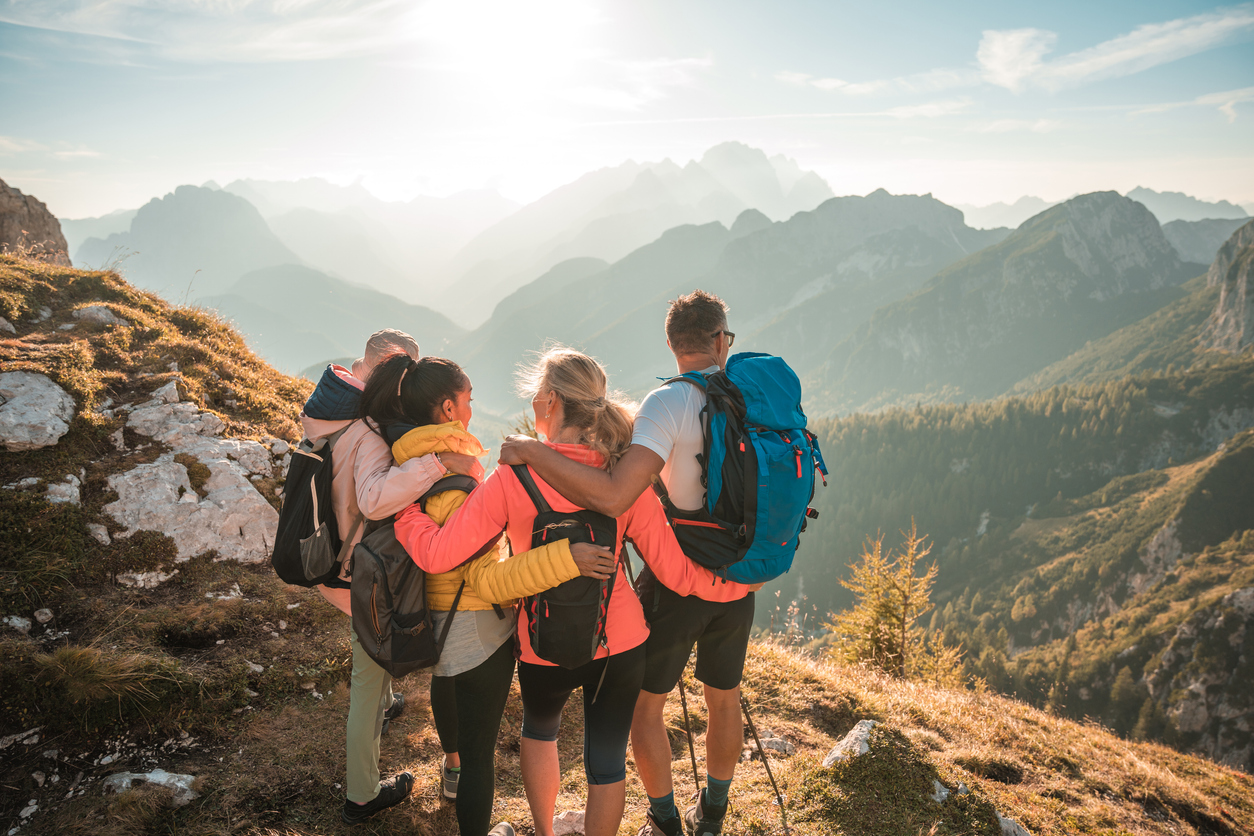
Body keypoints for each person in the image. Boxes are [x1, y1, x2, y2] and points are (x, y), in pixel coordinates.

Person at [395, 347, 745, 836]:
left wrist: (405, 515)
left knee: (539, 733)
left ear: (552, 402)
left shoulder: (511, 478)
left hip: (541, 641)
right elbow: (674, 572)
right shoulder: (626, 481)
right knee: (606, 762)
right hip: (620, 641)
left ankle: (544, 831)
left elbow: (437, 556)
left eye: (538, 395)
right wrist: (731, 587)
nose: (535, 403)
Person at [499, 292, 754, 836]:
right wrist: (736, 583)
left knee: (640, 708)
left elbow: (615, 494)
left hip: (664, 589)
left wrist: (531, 451)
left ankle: (663, 818)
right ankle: (713, 814)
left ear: (671, 342)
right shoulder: (751, 397)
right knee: (720, 700)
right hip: (739, 573)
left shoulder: (667, 405)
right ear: (719, 340)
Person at [358, 354, 617, 836]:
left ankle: (451, 766)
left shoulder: (410, 466)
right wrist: (568, 557)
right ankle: (467, 795)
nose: (474, 409)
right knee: (482, 758)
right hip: (477, 626)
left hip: (431, 613)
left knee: (449, 688)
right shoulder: (458, 480)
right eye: (470, 400)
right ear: (450, 408)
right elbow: (486, 581)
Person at [299, 329, 483, 826]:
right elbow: (376, 498)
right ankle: (361, 794)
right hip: (359, 571)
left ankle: (385, 700)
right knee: (366, 676)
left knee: (371, 669)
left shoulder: (329, 411)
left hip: (329, 554)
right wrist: (438, 462)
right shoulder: (367, 428)